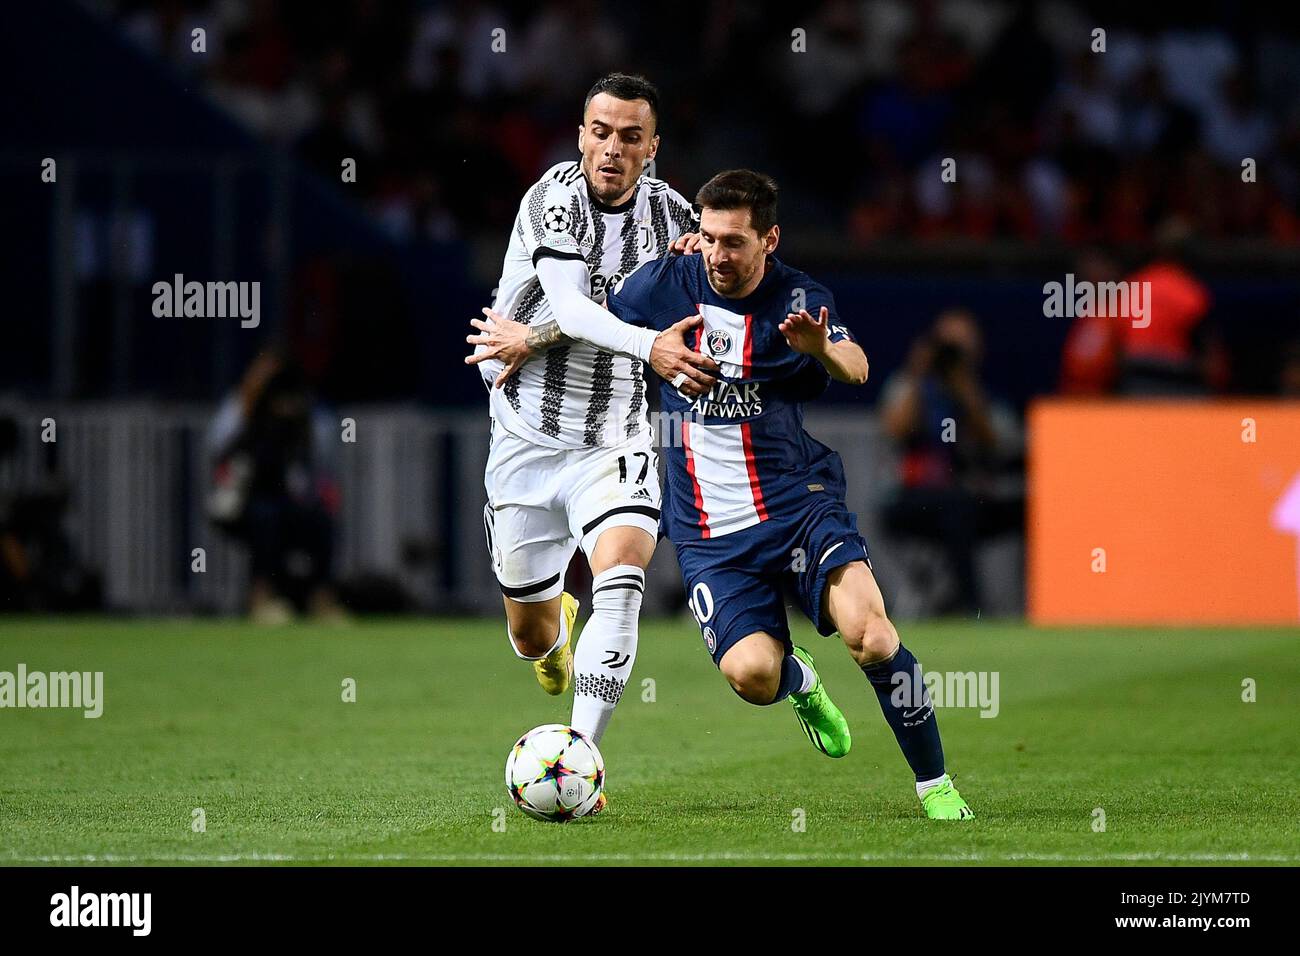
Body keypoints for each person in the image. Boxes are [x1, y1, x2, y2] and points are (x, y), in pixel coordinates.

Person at [482, 169, 975, 820]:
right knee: (753, 676)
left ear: (769, 240)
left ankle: (935, 785)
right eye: (708, 237)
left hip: (799, 506)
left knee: (872, 635)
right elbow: (594, 323)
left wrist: (820, 348)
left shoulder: (797, 298)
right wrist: (530, 337)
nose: (718, 253)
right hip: (712, 535)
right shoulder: (663, 285)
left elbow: (856, 364)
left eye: (734, 241)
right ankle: (800, 682)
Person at [463, 74, 717, 788]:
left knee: (624, 578)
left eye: (630, 137)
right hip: (526, 440)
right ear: (581, 135)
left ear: (652, 148)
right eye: (599, 132)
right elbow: (575, 309)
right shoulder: (553, 199)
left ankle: (580, 758)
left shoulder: (675, 219)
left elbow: (729, 282)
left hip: (617, 439)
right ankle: (552, 638)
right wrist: (651, 347)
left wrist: (713, 263)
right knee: (530, 633)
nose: (612, 148)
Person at [879, 309, 1022, 613]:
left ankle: (1035, 602)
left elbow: (994, 443)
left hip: (975, 497)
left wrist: (963, 387)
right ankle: (970, 604)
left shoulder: (980, 391)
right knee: (956, 508)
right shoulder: (908, 386)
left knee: (988, 508)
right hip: (914, 497)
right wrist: (919, 375)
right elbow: (894, 430)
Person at [207, 350, 347, 624]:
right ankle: (261, 598)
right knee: (265, 517)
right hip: (242, 500)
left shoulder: (305, 412)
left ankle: (321, 598)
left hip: (285, 499)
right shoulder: (239, 407)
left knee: (319, 519)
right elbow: (219, 451)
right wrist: (253, 409)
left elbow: (320, 458)